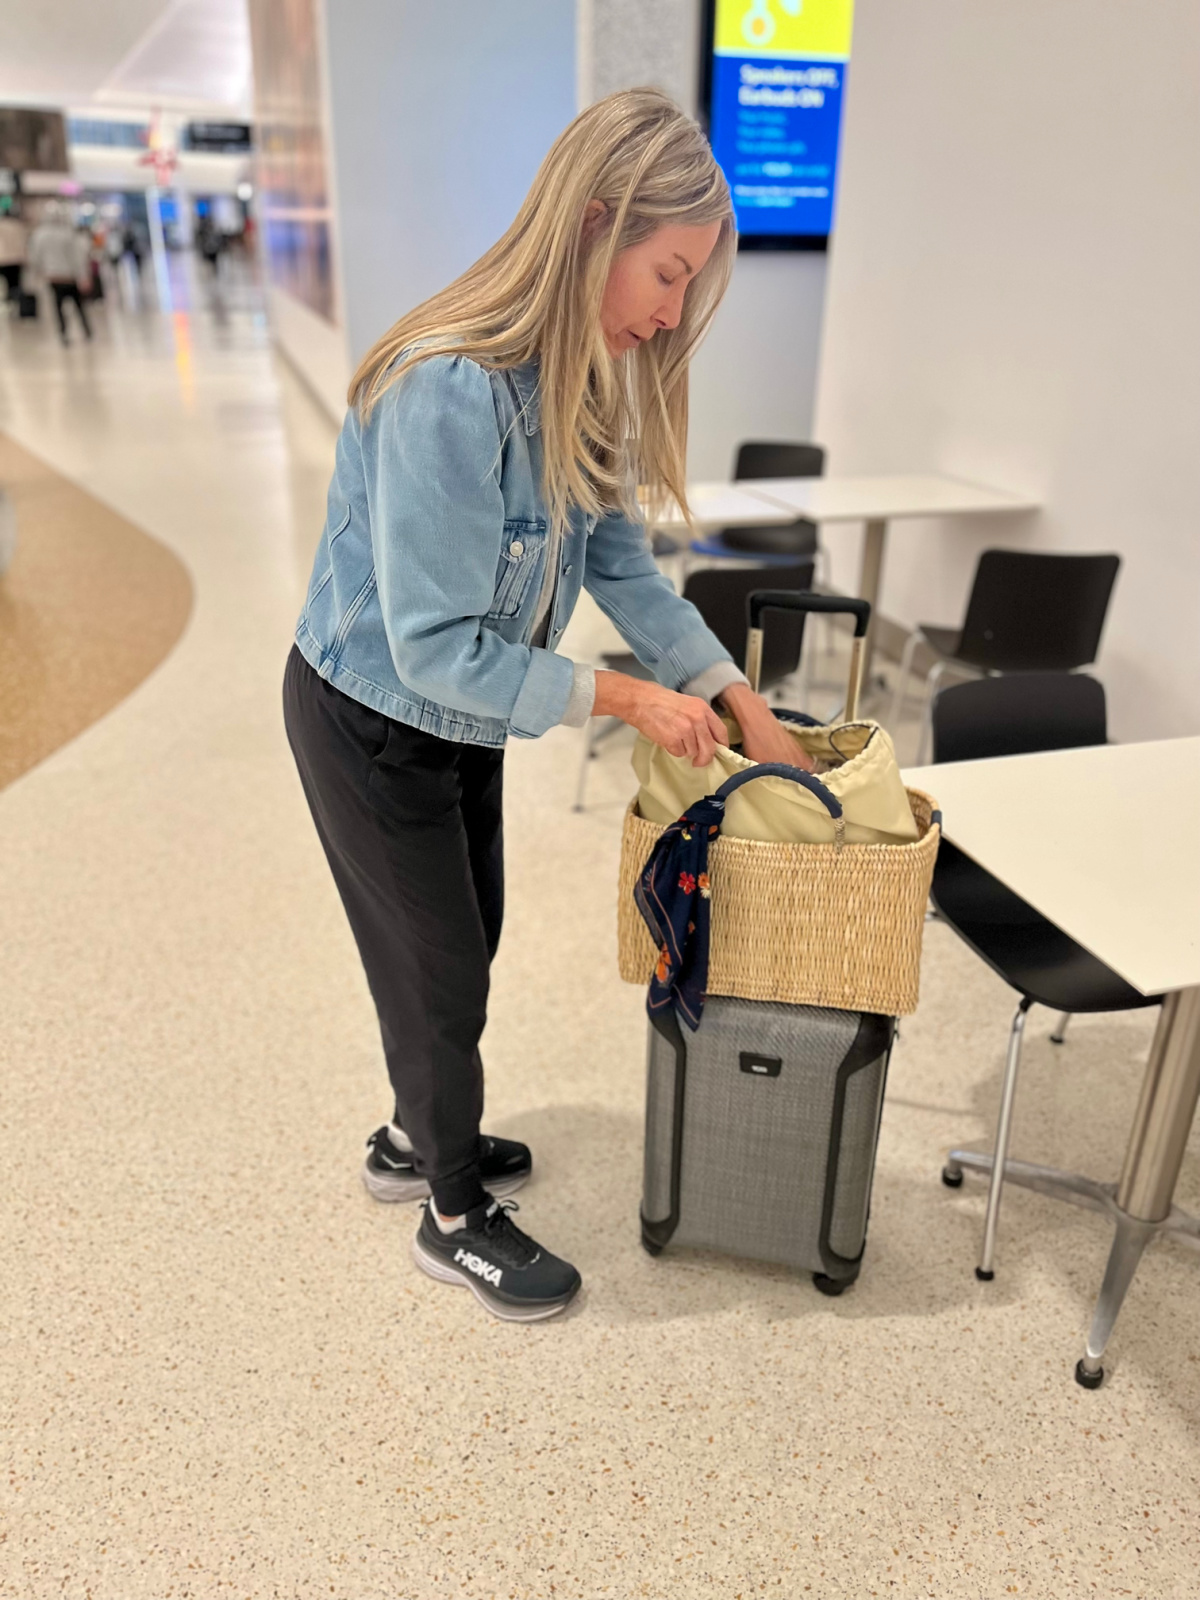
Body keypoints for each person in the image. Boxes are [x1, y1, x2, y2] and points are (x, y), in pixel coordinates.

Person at [282, 88, 810, 1324]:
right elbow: (428, 648)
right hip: (370, 715)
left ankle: (419, 1136)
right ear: (594, 223)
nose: (674, 312)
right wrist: (623, 695)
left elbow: (621, 566)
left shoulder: (568, 382)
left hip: (457, 717)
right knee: (440, 965)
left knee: (469, 940)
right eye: (669, 274)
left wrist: (735, 695)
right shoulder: (446, 391)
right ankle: (452, 1213)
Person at [27, 203, 92, 344]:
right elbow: (78, 257)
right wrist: (83, 276)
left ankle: (63, 333)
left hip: (53, 276)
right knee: (78, 306)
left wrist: (37, 274)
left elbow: (35, 258)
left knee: (58, 307)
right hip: (70, 276)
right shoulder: (68, 233)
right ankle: (86, 331)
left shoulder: (39, 235)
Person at [0, 204, 27, 305]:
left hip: (3, 258)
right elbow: (24, 242)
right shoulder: (18, 225)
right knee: (15, 283)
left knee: (5, 282)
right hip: (16, 258)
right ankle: (16, 301)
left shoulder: (1, 225)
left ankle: (8, 300)